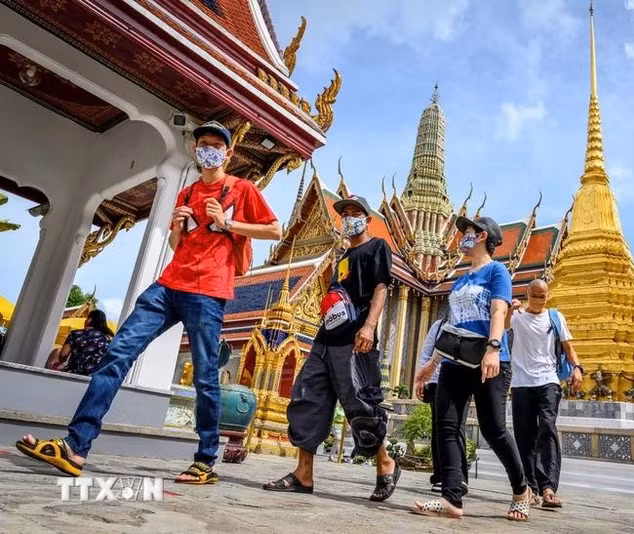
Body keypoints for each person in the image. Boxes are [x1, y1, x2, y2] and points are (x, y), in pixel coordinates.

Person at [17, 121, 281, 484]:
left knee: (205, 377)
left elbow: (274, 229)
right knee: (117, 354)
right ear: (195, 150)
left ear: (229, 153)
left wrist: (228, 223)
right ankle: (76, 446)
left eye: (217, 145)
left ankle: (205, 460)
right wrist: (176, 227)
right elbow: (177, 247)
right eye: (203, 143)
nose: (209, 150)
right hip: (169, 285)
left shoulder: (242, 189)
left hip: (208, 291)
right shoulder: (186, 194)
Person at [263, 195, 400, 501]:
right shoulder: (342, 256)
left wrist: (369, 326)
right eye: (345, 213)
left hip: (355, 340)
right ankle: (304, 473)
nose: (348, 217)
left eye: (355, 213)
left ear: (366, 219)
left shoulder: (377, 247)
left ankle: (385, 462)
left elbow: (380, 288)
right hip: (325, 340)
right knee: (307, 397)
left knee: (359, 403)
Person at [414, 216, 531, 521]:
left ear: (481, 236)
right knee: (447, 425)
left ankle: (521, 489)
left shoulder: (497, 271)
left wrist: (493, 348)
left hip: (488, 359)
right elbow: (453, 326)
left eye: (466, 233)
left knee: (494, 429)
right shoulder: (462, 278)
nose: (461, 238)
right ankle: (451, 498)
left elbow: (498, 310)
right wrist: (431, 363)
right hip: (455, 359)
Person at [507, 279, 583, 508]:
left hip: (548, 381)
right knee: (524, 436)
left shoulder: (555, 317)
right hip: (521, 383)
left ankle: (548, 487)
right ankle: (529, 487)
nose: (540, 301)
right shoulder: (517, 318)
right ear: (527, 295)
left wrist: (577, 368)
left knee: (547, 428)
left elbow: (568, 346)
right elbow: (498, 327)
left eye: (543, 296)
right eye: (536, 296)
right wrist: (510, 309)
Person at [414, 318, 469, 495]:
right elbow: (427, 352)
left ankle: (459, 477)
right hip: (437, 380)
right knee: (439, 428)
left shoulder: (470, 323)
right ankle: (440, 476)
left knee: (457, 427)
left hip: (462, 378)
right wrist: (423, 377)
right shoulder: (438, 325)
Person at [47, 309, 115, 376]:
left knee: (56, 351)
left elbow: (63, 354)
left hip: (73, 374)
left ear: (89, 320)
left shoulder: (76, 334)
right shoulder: (108, 340)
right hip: (93, 378)